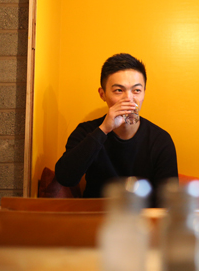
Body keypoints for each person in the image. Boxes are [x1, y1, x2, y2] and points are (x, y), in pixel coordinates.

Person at [55, 53, 178, 205]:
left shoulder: (160, 140)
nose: (129, 98)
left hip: (143, 223)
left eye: (136, 90)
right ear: (103, 94)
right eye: (119, 90)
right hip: (96, 220)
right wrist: (104, 129)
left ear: (144, 93)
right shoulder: (87, 132)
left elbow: (169, 201)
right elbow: (65, 178)